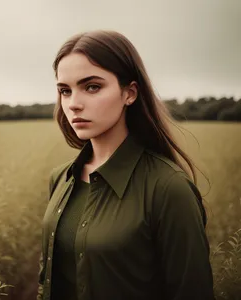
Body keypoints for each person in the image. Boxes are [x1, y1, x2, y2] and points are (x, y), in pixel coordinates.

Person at [38, 30, 215, 300]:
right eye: (65, 91)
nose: (73, 104)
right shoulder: (61, 178)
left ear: (129, 93)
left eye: (92, 87)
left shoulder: (168, 188)